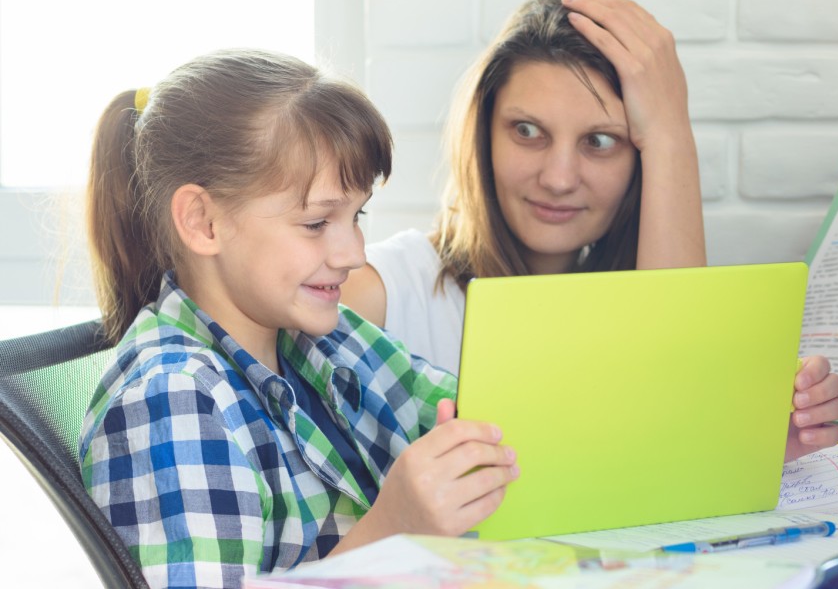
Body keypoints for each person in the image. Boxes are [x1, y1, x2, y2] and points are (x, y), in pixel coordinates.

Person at [79, 49, 519, 589]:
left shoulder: (325, 336)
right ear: (203, 222)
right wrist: (394, 529)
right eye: (316, 223)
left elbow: (490, 420)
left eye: (355, 216)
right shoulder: (172, 400)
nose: (353, 253)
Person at [340, 0, 838, 462]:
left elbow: (662, 457)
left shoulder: (642, 312)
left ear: (641, 161)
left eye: (600, 141)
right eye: (527, 131)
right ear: (483, 135)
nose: (559, 178)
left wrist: (746, 448)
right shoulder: (382, 293)